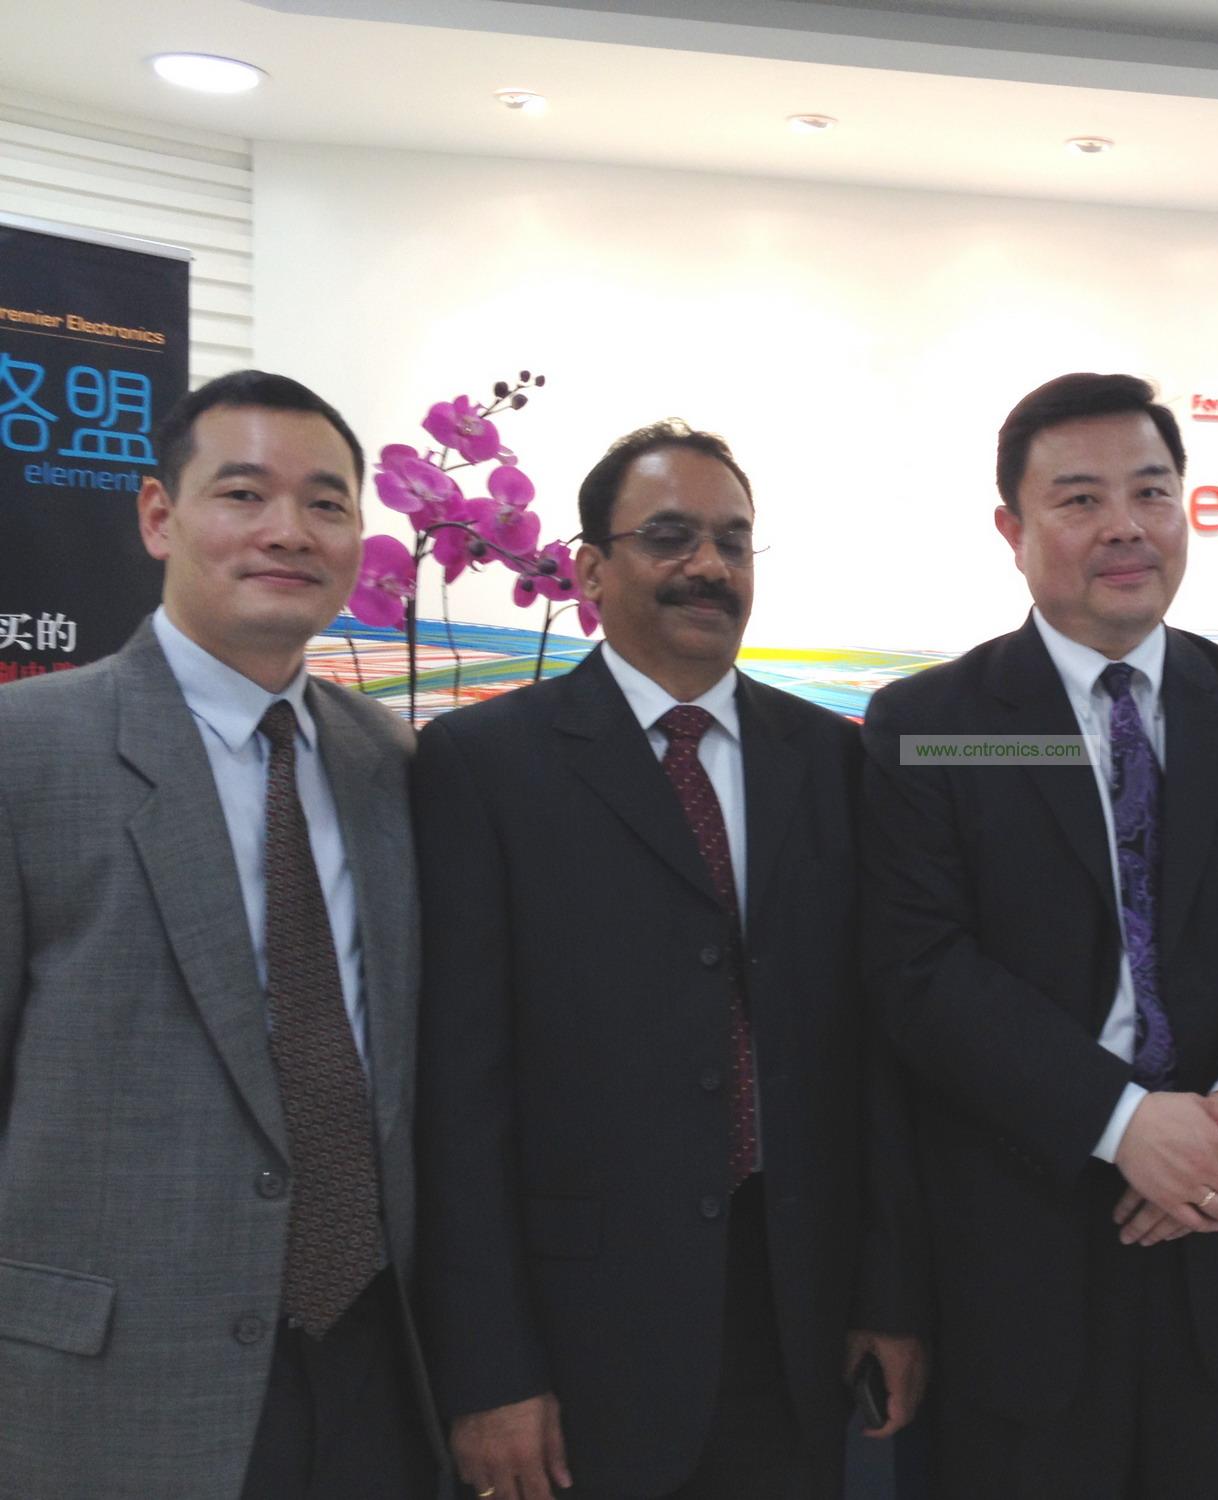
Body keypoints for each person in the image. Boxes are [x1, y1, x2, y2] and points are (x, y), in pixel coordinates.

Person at [861, 372, 1218, 1499]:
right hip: (1022, 1250)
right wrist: (1122, 1122)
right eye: (1078, 499)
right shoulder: (936, 726)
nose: (1123, 527)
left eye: (1150, 491)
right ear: (1011, 529)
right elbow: (920, 970)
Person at [416, 420, 928, 1500]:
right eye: (669, 536)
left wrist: (886, 1295)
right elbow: (458, 1095)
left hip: (795, 1325)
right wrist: (489, 1370)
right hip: (580, 1344)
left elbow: (871, 1050)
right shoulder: (482, 766)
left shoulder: (830, 760)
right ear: (590, 569)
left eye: (733, 542)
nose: (709, 566)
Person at [0, 370, 440, 1498]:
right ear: (159, 515)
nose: (288, 530)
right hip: (109, 1383)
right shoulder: (25, 752)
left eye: (326, 503)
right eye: (243, 494)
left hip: (376, 1371)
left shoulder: (393, 763)